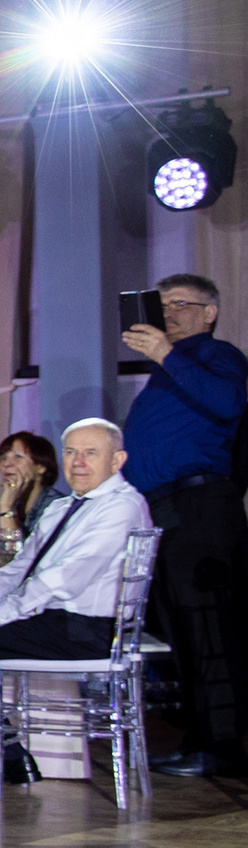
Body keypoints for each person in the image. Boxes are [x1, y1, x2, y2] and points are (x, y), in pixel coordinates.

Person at [121, 273, 248, 779]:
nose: (169, 313)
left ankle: (221, 745)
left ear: (208, 313)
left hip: (200, 507)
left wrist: (167, 355)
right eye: (163, 305)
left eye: (180, 304)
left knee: (207, 625)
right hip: (165, 509)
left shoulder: (217, 357)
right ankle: (201, 736)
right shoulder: (165, 371)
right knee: (183, 630)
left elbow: (229, 404)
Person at [0, 420, 152, 661]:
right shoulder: (59, 508)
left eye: (90, 453)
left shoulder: (123, 506)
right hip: (49, 620)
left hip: (85, 630)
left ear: (117, 460)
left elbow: (66, 577)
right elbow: (20, 568)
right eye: (71, 452)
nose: (78, 462)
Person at [0, 431, 65, 550]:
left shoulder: (58, 507)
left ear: (41, 467)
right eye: (3, 458)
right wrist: (5, 508)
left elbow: (24, 560)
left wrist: (6, 512)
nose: (7, 464)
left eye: (17, 457)